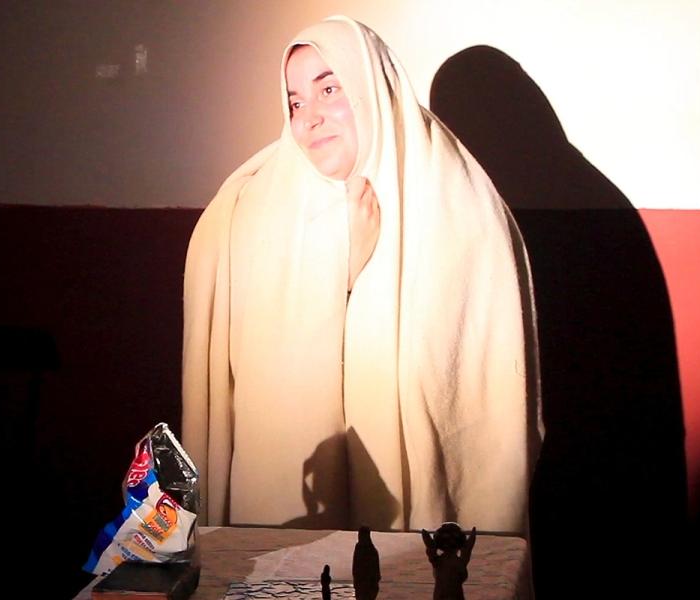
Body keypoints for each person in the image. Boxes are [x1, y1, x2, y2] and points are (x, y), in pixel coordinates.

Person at [181, 16, 539, 533]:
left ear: (373, 84)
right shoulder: (253, 205)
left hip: (416, 522)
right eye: (296, 101)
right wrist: (338, 261)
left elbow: (473, 393)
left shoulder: (456, 200)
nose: (310, 119)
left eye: (329, 88)